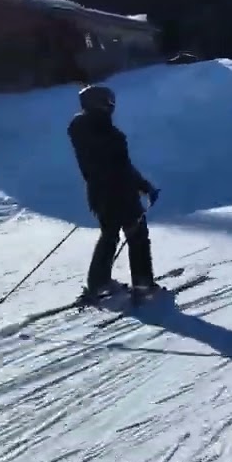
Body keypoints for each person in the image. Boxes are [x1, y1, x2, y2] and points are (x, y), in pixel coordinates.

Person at [67, 84, 162, 301]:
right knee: (137, 235)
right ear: (98, 104)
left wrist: (144, 186)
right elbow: (121, 167)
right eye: (108, 102)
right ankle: (143, 284)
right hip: (120, 193)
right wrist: (143, 187)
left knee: (109, 235)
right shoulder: (108, 134)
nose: (112, 106)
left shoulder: (82, 131)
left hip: (99, 194)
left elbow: (116, 165)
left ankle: (98, 282)